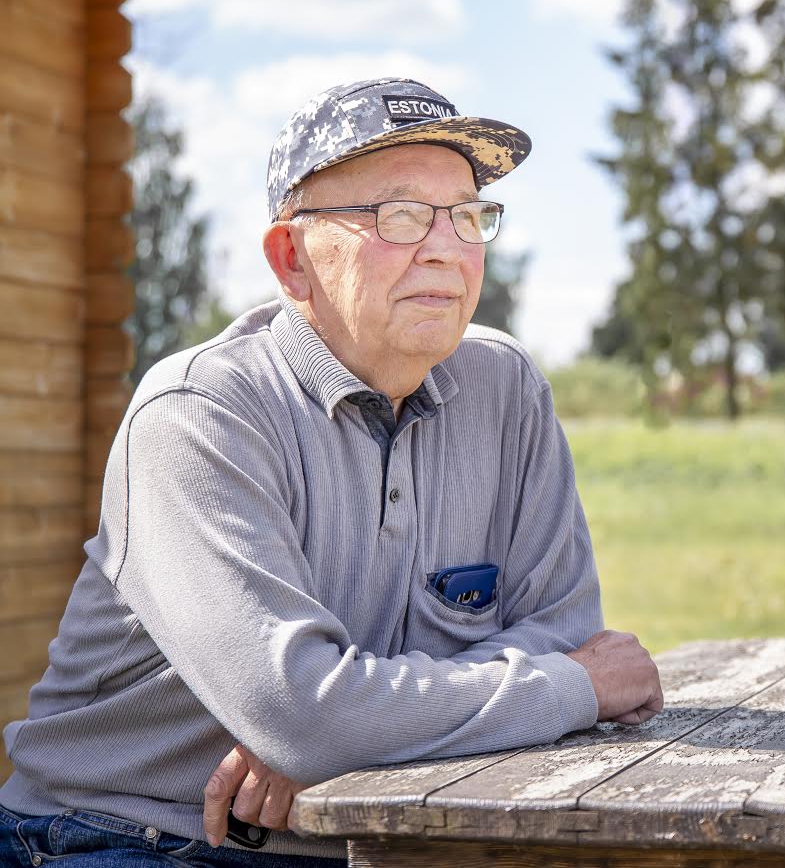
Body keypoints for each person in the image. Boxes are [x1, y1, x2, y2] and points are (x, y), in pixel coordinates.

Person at [0, 77, 664, 866]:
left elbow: (561, 625)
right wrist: (570, 689)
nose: (446, 246)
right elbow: (306, 713)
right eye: (400, 215)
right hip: (127, 835)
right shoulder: (199, 412)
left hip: (370, 830)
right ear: (292, 259)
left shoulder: (507, 388)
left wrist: (351, 732)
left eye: (466, 214)